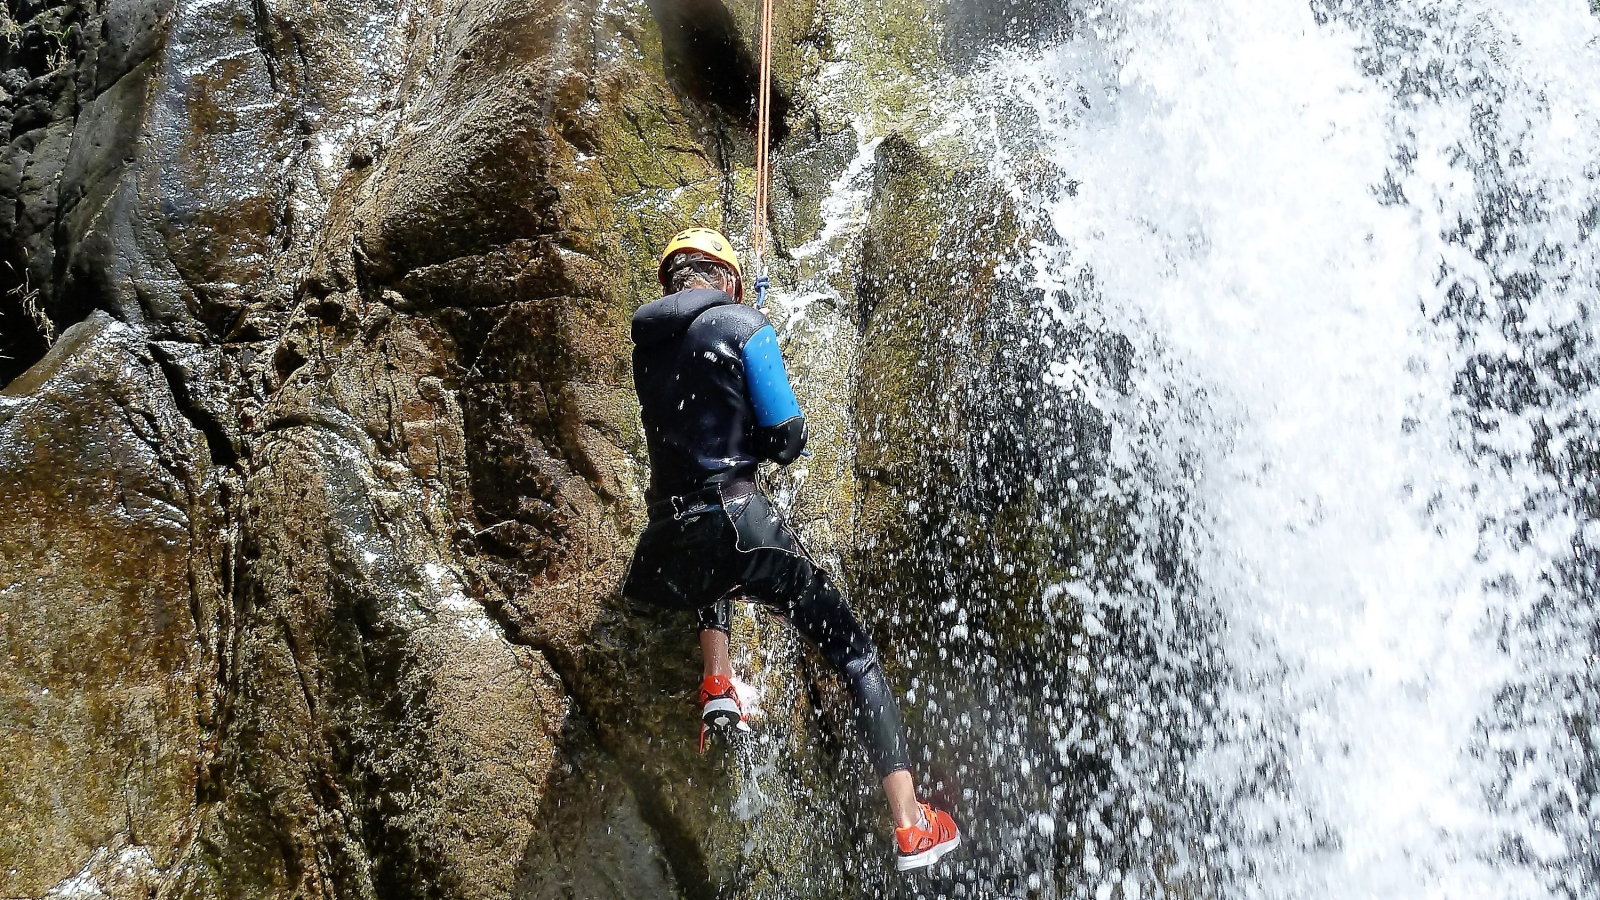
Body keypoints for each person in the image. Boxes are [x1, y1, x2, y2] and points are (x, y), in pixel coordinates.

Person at [621, 227, 961, 872]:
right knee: (857, 657)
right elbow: (787, 436)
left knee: (706, 568)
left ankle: (718, 681)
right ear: (725, 279)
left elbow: (692, 436)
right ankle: (912, 825)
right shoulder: (743, 324)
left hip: (667, 538)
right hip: (736, 521)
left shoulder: (647, 350)